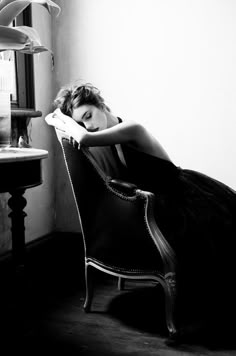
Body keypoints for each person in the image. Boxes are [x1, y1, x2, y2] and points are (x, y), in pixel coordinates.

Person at [45, 82, 236, 344]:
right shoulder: (113, 137)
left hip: (184, 196)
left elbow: (85, 138)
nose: (88, 125)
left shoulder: (130, 128)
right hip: (162, 202)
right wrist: (58, 117)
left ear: (100, 104)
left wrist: (62, 121)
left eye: (88, 115)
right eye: (82, 121)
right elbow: (65, 126)